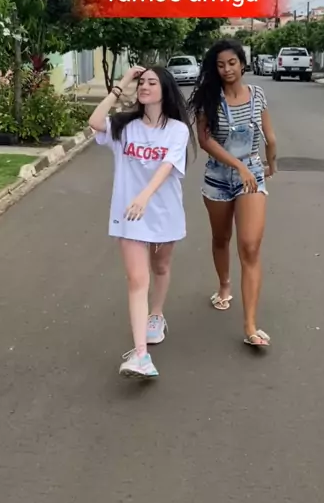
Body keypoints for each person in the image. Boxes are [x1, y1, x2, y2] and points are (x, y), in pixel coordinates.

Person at [89, 65, 195, 379]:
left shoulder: (177, 130)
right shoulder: (125, 126)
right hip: (129, 215)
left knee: (160, 267)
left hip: (163, 212)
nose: (144, 87)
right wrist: (121, 83)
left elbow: (166, 166)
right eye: (142, 82)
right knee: (137, 280)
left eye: (152, 83)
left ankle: (156, 314)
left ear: (165, 90)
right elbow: (95, 121)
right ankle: (140, 355)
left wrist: (145, 197)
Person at [188, 39, 277, 348]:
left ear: (242, 63)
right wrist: (236, 165)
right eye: (220, 65)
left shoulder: (258, 95)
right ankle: (224, 284)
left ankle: (250, 325)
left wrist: (271, 162)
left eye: (232, 63)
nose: (227, 69)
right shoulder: (209, 99)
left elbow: (269, 134)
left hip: (251, 174)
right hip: (218, 176)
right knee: (221, 238)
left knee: (249, 246)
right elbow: (205, 140)